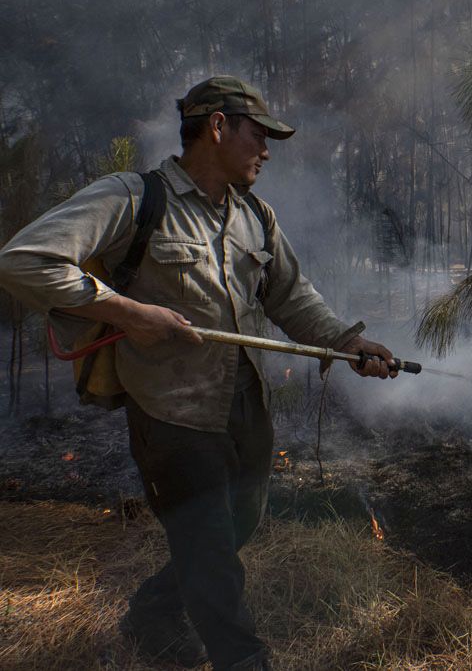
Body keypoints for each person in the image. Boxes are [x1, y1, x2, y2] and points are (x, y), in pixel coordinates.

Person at [0, 75, 397, 670]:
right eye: (258, 135)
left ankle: (152, 612)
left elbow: (291, 297)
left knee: (236, 525)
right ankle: (242, 660)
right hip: (171, 414)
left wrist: (347, 341)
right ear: (217, 126)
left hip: (244, 403)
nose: (266, 150)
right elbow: (24, 261)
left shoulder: (254, 216)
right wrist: (129, 312)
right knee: (211, 552)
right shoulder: (134, 198)